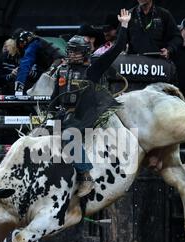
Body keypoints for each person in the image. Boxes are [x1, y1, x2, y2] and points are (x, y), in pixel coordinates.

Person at [50, 9, 132, 197]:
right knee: (47, 138)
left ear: (85, 52)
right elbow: (55, 97)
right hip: (66, 113)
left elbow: (117, 47)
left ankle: (86, 176)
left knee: (68, 135)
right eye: (70, 51)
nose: (72, 55)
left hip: (86, 114)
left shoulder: (93, 69)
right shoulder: (62, 71)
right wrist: (49, 115)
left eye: (76, 52)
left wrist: (124, 25)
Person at [14, 30, 65, 95]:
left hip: (58, 62)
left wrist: (18, 90)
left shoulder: (33, 45)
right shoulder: (40, 41)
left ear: (24, 41)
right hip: (61, 62)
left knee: (41, 85)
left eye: (21, 44)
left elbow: (24, 66)